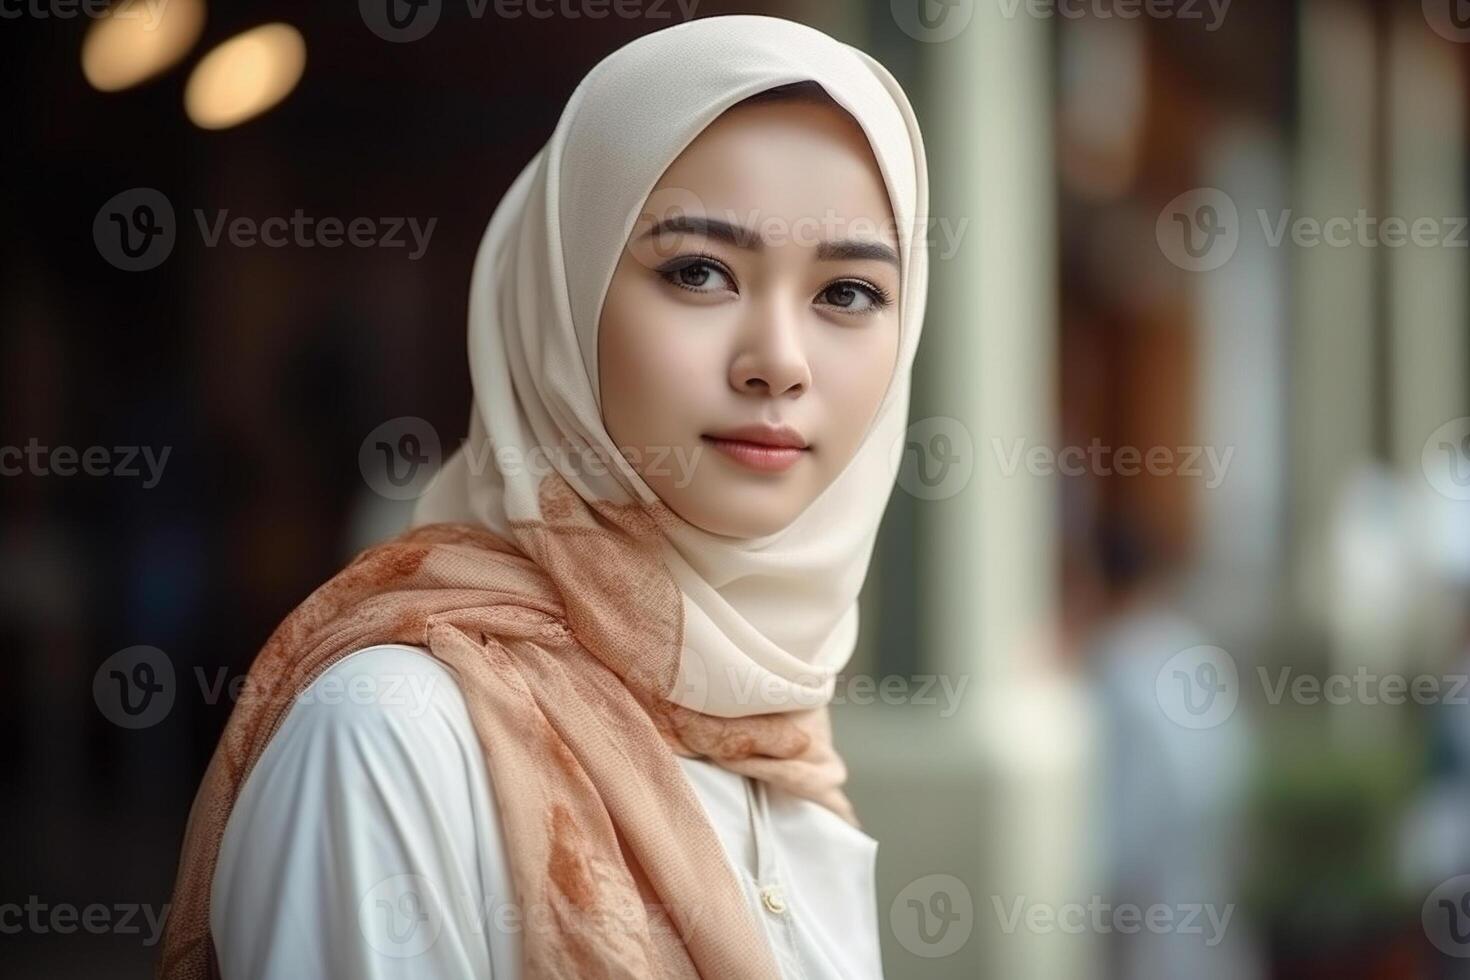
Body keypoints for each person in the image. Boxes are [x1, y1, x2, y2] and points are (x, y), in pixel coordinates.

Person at [157, 14, 930, 979]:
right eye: (699, 272)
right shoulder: (392, 734)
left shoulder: (782, 743)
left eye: (848, 292)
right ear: (560, 303)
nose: (778, 361)